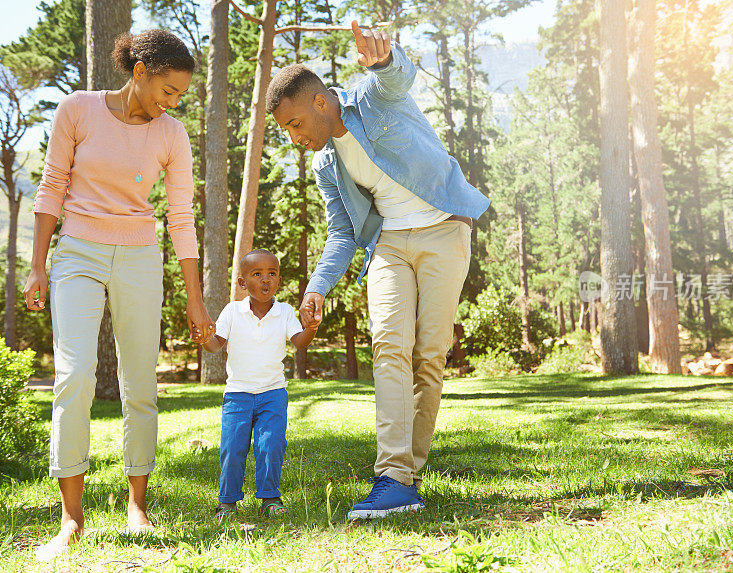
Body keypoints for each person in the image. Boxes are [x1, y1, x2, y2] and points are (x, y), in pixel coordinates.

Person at [265, 21, 490, 519]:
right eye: (287, 131)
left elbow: (397, 78)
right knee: (389, 346)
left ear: (321, 103)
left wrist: (385, 61)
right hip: (389, 244)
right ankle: (393, 476)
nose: (296, 137)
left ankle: (410, 470)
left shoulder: (372, 97)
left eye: (296, 124)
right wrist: (316, 289)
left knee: (429, 354)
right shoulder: (327, 165)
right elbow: (343, 233)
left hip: (443, 230)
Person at [22, 30, 215, 561]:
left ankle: (137, 507)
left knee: (140, 383)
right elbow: (51, 187)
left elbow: (180, 219)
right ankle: (71, 520)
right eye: (167, 90)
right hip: (77, 252)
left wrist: (196, 302)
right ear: (140, 72)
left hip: (138, 257)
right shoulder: (78, 110)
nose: (171, 102)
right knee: (75, 374)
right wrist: (38, 267)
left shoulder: (171, 135)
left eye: (180, 95)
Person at [202, 249, 318, 518]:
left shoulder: (285, 312)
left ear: (278, 280)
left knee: (271, 445)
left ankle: (270, 499)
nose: (266, 280)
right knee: (233, 448)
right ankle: (227, 501)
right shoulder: (232, 311)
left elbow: (299, 341)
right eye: (257, 274)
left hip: (273, 394)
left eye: (272, 274)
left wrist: (311, 327)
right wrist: (203, 337)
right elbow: (215, 344)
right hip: (237, 395)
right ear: (243, 283)